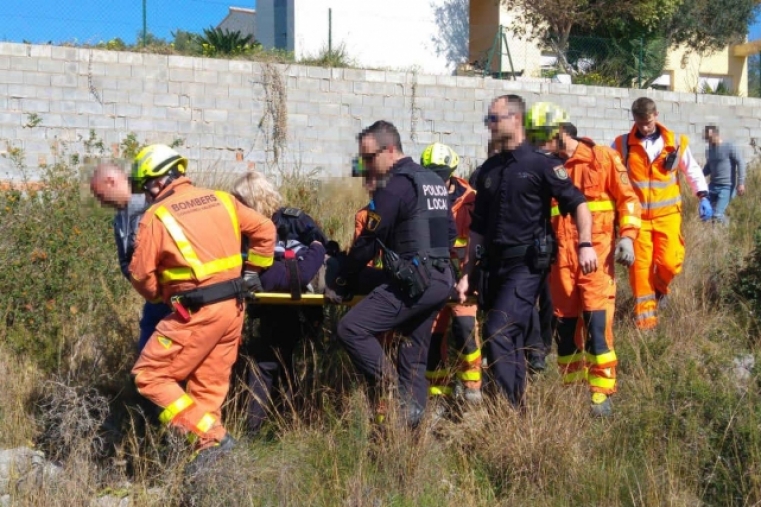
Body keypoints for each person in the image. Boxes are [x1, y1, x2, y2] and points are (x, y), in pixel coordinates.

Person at [127, 144, 276, 473]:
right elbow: (266, 229)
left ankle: (214, 437)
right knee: (207, 391)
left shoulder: (156, 216)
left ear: (158, 181)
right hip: (232, 311)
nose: (144, 194)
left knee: (149, 376)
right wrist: (253, 273)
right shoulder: (223, 199)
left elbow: (141, 277)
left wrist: (160, 297)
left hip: (195, 313)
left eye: (143, 185)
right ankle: (208, 468)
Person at [454, 95, 596, 409]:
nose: (489, 125)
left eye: (494, 119)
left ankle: (508, 411)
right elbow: (477, 228)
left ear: (515, 119)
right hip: (493, 267)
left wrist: (585, 244)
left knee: (498, 330)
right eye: (488, 120)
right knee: (506, 339)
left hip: (527, 265)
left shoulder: (541, 163)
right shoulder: (489, 170)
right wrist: (467, 274)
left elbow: (579, 204)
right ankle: (517, 410)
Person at [327, 120, 456, 427]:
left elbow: (369, 241)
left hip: (415, 282)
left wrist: (343, 278)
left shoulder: (395, 185)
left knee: (351, 329)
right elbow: (449, 233)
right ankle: (409, 434)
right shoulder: (432, 181)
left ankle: (391, 390)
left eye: (370, 158)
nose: (368, 166)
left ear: (390, 150)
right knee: (413, 356)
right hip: (440, 278)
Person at [528, 104, 641, 417]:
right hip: (560, 261)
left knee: (596, 325)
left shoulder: (602, 158)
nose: (537, 146)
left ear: (559, 133)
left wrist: (628, 236)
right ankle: (571, 391)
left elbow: (628, 200)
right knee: (564, 329)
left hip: (596, 258)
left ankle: (601, 394)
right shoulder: (546, 168)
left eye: (542, 139)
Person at [230, 171, 329, 437]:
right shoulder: (242, 229)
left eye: (240, 200)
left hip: (298, 308)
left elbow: (321, 251)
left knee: (272, 361)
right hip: (268, 306)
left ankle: (262, 431)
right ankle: (286, 426)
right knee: (275, 360)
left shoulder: (293, 221)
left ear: (253, 199)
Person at [613, 97, 711, 330]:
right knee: (640, 270)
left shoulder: (675, 143)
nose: (644, 127)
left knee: (670, 262)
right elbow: (609, 171)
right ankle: (646, 325)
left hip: (668, 215)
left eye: (647, 122)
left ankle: (659, 290)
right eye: (639, 122)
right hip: (637, 220)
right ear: (634, 119)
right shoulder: (621, 144)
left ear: (656, 115)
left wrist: (703, 195)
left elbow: (693, 170)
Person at [419, 142, 483, 404]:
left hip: (463, 277)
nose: (438, 178)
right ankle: (439, 395)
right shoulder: (418, 197)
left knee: (466, 328)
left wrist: (469, 273)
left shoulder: (471, 200)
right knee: (433, 337)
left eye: (441, 172)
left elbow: (478, 240)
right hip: (432, 277)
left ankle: (472, 387)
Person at [89, 163, 172, 353]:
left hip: (175, 298)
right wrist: (148, 290)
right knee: (146, 360)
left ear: (111, 182)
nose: (102, 203)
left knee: (163, 364)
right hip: (154, 302)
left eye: (101, 196)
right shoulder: (120, 218)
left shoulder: (152, 202)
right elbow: (125, 261)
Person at [704, 125, 746, 224]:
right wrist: (697, 176)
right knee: (707, 213)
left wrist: (741, 183)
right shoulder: (710, 150)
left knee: (717, 215)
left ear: (716, 134)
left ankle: (730, 228)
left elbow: (740, 162)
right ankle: (714, 236)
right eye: (707, 138)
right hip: (713, 186)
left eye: (710, 138)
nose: (708, 140)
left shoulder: (729, 146)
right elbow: (709, 167)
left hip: (726, 187)